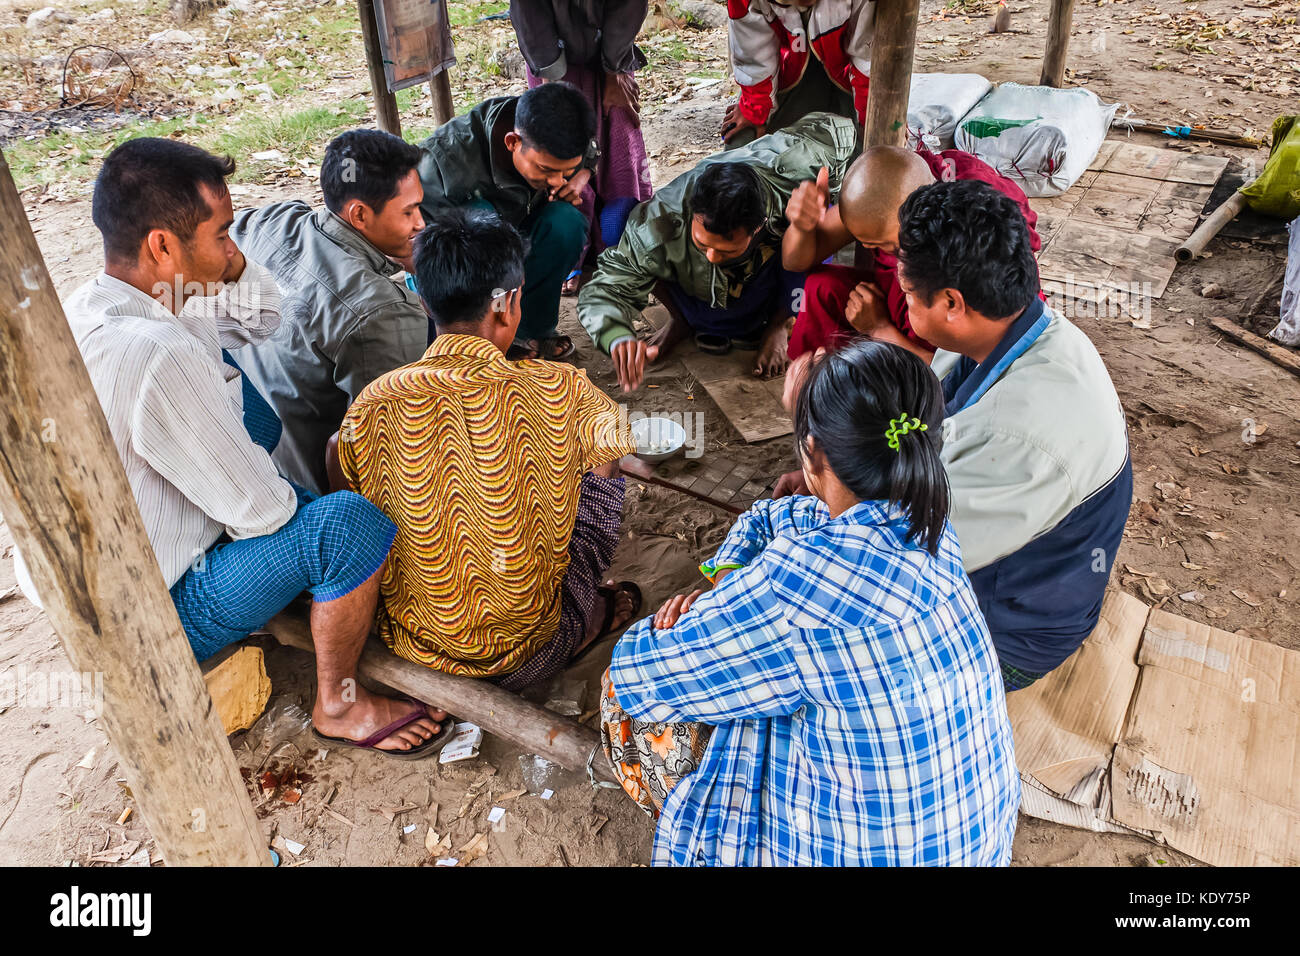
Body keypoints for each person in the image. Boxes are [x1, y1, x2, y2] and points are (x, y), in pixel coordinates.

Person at [13, 137, 449, 757]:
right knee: (351, 527)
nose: (231, 248)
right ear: (163, 245)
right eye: (221, 234)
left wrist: (226, 264)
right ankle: (339, 702)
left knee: (247, 404)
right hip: (145, 616)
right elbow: (265, 514)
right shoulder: (158, 352)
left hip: (102, 570)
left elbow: (262, 320)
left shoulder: (118, 299)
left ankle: (301, 583)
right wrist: (301, 509)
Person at [599, 340, 1021, 865]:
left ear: (814, 452)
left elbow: (641, 673)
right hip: (973, 848)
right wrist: (731, 581)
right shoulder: (932, 530)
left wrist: (711, 607)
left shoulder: (796, 586)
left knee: (624, 697)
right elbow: (778, 517)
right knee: (769, 680)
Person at [778, 181, 1133, 691]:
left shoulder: (1018, 431)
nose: (900, 303)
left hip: (1010, 634)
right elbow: (921, 430)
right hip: (994, 557)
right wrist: (831, 466)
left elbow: (891, 556)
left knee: (817, 662)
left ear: (951, 303)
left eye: (904, 293)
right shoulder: (1017, 333)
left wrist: (824, 458)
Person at [334, 207, 640, 692]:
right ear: (507, 304)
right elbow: (611, 451)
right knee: (604, 473)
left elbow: (343, 474)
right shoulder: (564, 388)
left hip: (416, 648)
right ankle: (588, 617)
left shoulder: (373, 403)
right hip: (525, 655)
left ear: (426, 302)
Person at [578, 112, 858, 391]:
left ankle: (779, 325)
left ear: (758, 227)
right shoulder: (658, 223)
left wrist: (830, 191)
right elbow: (605, 291)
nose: (712, 257)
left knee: (816, 222)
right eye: (703, 245)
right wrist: (615, 335)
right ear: (692, 214)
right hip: (693, 290)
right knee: (617, 221)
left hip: (766, 279)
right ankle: (682, 319)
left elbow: (839, 128)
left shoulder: (793, 170)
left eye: (725, 250)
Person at [230, 129, 428, 494]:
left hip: (246, 452)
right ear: (359, 215)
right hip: (314, 491)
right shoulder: (381, 311)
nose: (421, 224)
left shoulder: (269, 221)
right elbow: (395, 448)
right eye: (409, 211)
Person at [784, 145, 1041, 362]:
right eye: (867, 243)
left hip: (947, 326)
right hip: (909, 302)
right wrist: (802, 226)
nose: (882, 254)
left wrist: (880, 330)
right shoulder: (886, 193)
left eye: (889, 246)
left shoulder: (982, 236)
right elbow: (794, 263)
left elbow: (978, 366)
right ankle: (816, 395)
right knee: (822, 288)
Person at [416, 82, 597, 361]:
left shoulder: (559, 130)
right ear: (512, 142)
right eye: (546, 170)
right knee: (480, 217)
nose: (556, 182)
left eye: (566, 172)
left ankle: (531, 332)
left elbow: (589, 153)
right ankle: (479, 346)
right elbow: (424, 251)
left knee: (566, 223)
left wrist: (583, 172)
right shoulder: (443, 163)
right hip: (461, 253)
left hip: (517, 229)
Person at [509, 0, 654, 291]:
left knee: (619, 150)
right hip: (550, 60)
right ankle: (574, 255)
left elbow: (627, 7)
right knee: (560, 155)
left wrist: (614, 70)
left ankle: (623, 250)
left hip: (612, 53)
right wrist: (553, 80)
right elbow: (530, 16)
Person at [722, 0, 874, 147]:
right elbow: (753, 56)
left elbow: (868, 59)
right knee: (740, 144)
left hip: (851, 80)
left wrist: (868, 119)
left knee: (870, 151)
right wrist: (755, 109)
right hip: (787, 74)